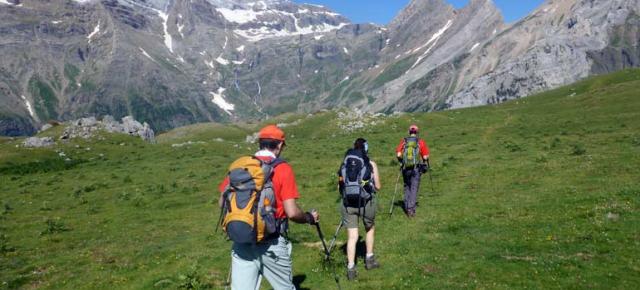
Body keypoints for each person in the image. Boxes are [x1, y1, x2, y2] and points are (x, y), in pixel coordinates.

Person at [217, 125, 319, 290]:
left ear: (260, 143)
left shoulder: (241, 166)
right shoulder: (282, 168)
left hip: (242, 240)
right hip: (271, 243)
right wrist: (308, 218)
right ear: (279, 145)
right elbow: (292, 212)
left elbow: (222, 203)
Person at [339, 138, 381, 280]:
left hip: (348, 203)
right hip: (365, 202)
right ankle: (369, 260)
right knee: (369, 228)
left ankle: (351, 268)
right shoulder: (370, 164)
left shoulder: (345, 163)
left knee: (352, 237)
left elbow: (340, 184)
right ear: (365, 148)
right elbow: (378, 187)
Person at [395, 124, 430, 218]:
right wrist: (425, 161)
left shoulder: (404, 141)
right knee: (414, 188)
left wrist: (402, 161)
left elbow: (398, 154)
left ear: (409, 132)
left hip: (405, 168)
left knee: (407, 186)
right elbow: (426, 156)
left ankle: (406, 206)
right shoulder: (420, 142)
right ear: (417, 132)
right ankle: (410, 209)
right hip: (416, 168)